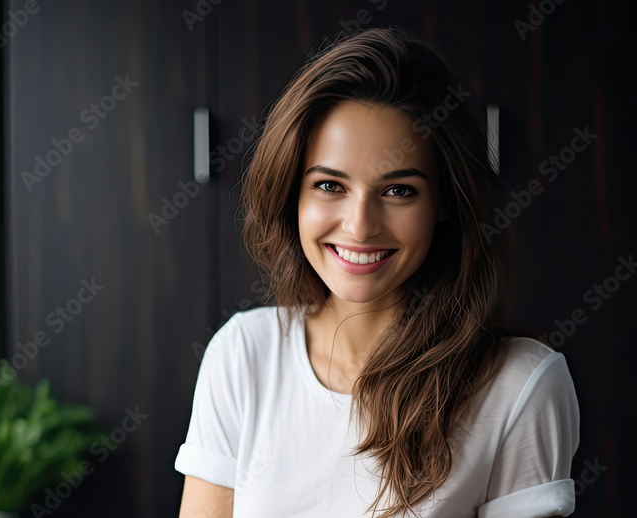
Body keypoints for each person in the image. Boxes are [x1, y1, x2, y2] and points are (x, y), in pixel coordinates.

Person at [174, 27, 580, 518]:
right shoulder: (242, 355)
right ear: (292, 194)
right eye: (329, 185)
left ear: (445, 203)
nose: (360, 226)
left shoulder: (520, 385)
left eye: (399, 191)